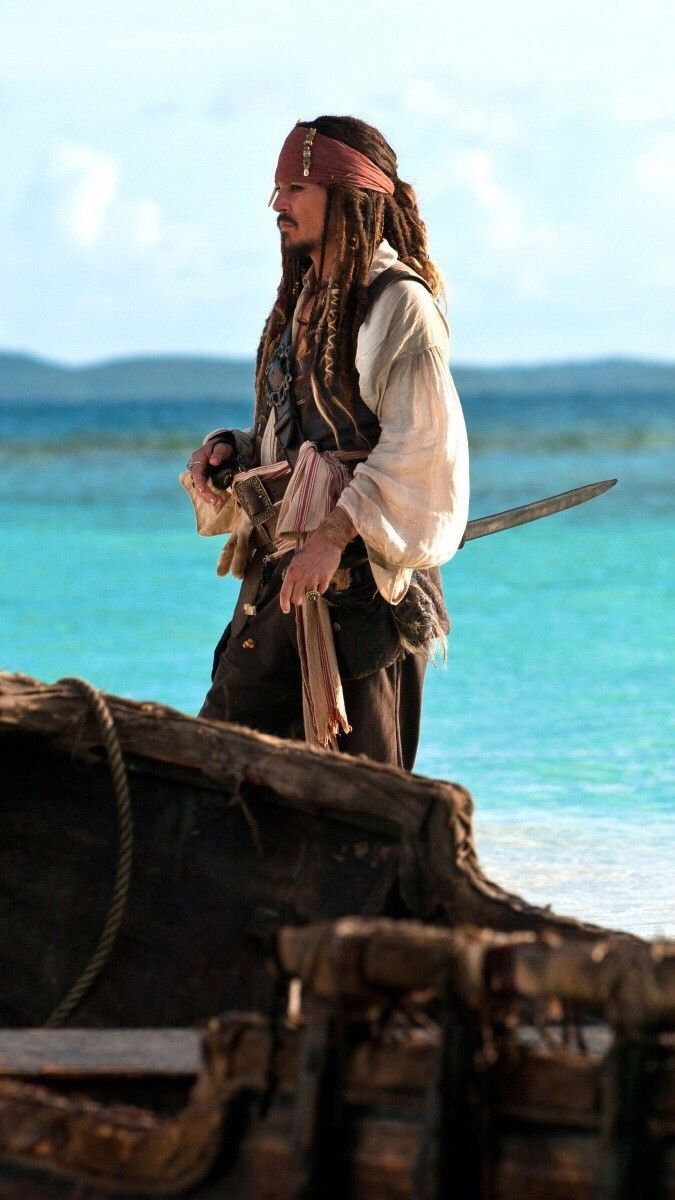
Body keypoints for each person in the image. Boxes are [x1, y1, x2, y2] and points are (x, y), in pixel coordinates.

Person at [186, 116, 469, 769]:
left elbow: (421, 447)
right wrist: (235, 451)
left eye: (295, 188)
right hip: (285, 578)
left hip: (361, 594)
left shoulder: (397, 305)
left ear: (346, 196)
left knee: (361, 785)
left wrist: (334, 535)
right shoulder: (301, 300)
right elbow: (304, 434)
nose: (276, 205)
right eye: (278, 188)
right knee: (225, 758)